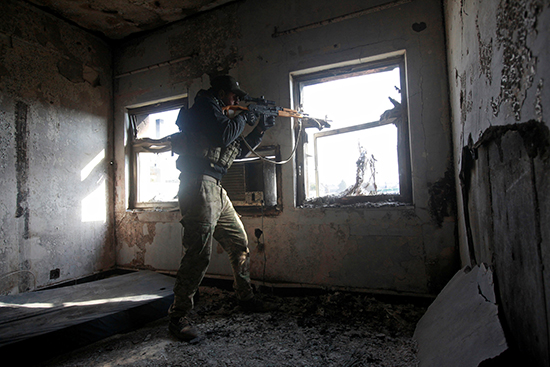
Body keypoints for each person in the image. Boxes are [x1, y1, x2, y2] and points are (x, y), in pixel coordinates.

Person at [168, 75, 275, 342]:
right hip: (198, 184)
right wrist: (245, 118)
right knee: (199, 254)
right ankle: (177, 317)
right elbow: (223, 133)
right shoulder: (206, 107)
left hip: (215, 186)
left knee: (239, 242)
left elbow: (236, 150)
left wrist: (260, 128)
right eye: (234, 95)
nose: (237, 100)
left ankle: (245, 297)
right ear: (221, 92)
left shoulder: (223, 118)